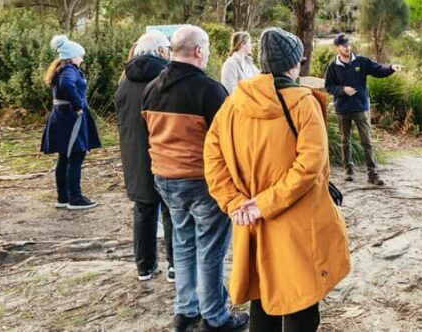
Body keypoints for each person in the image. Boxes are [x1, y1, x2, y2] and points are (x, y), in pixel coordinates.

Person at [204, 27, 351, 332]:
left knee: (263, 297)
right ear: (293, 64)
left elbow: (212, 160)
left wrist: (236, 204)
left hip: (252, 223)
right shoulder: (302, 102)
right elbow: (311, 164)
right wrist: (265, 203)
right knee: (301, 300)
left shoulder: (232, 104)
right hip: (296, 221)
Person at [142, 25, 248, 332]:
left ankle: (186, 311)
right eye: (208, 49)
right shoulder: (209, 90)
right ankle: (216, 317)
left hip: (165, 179)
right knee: (210, 250)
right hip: (203, 182)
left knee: (184, 244)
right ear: (199, 51)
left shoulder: (152, 88)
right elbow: (231, 141)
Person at [114, 31, 175, 283]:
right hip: (165, 152)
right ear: (161, 51)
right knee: (172, 210)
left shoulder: (124, 82)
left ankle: (144, 266)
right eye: (168, 48)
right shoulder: (166, 79)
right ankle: (175, 266)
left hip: (134, 154)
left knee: (143, 209)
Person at [324, 34, 404, 185]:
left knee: (366, 142)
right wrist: (343, 90)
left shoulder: (361, 61)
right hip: (343, 109)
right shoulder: (333, 66)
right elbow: (328, 86)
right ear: (337, 48)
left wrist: (391, 67)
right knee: (344, 141)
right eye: (343, 45)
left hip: (360, 107)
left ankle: (372, 174)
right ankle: (348, 171)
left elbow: (379, 70)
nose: (347, 47)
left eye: (348, 44)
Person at [41, 35, 101, 210]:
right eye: (80, 55)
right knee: (76, 155)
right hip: (70, 119)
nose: (82, 58)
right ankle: (75, 197)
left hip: (61, 118)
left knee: (64, 157)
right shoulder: (69, 70)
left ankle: (63, 197)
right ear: (72, 56)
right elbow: (68, 85)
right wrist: (77, 105)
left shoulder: (61, 68)